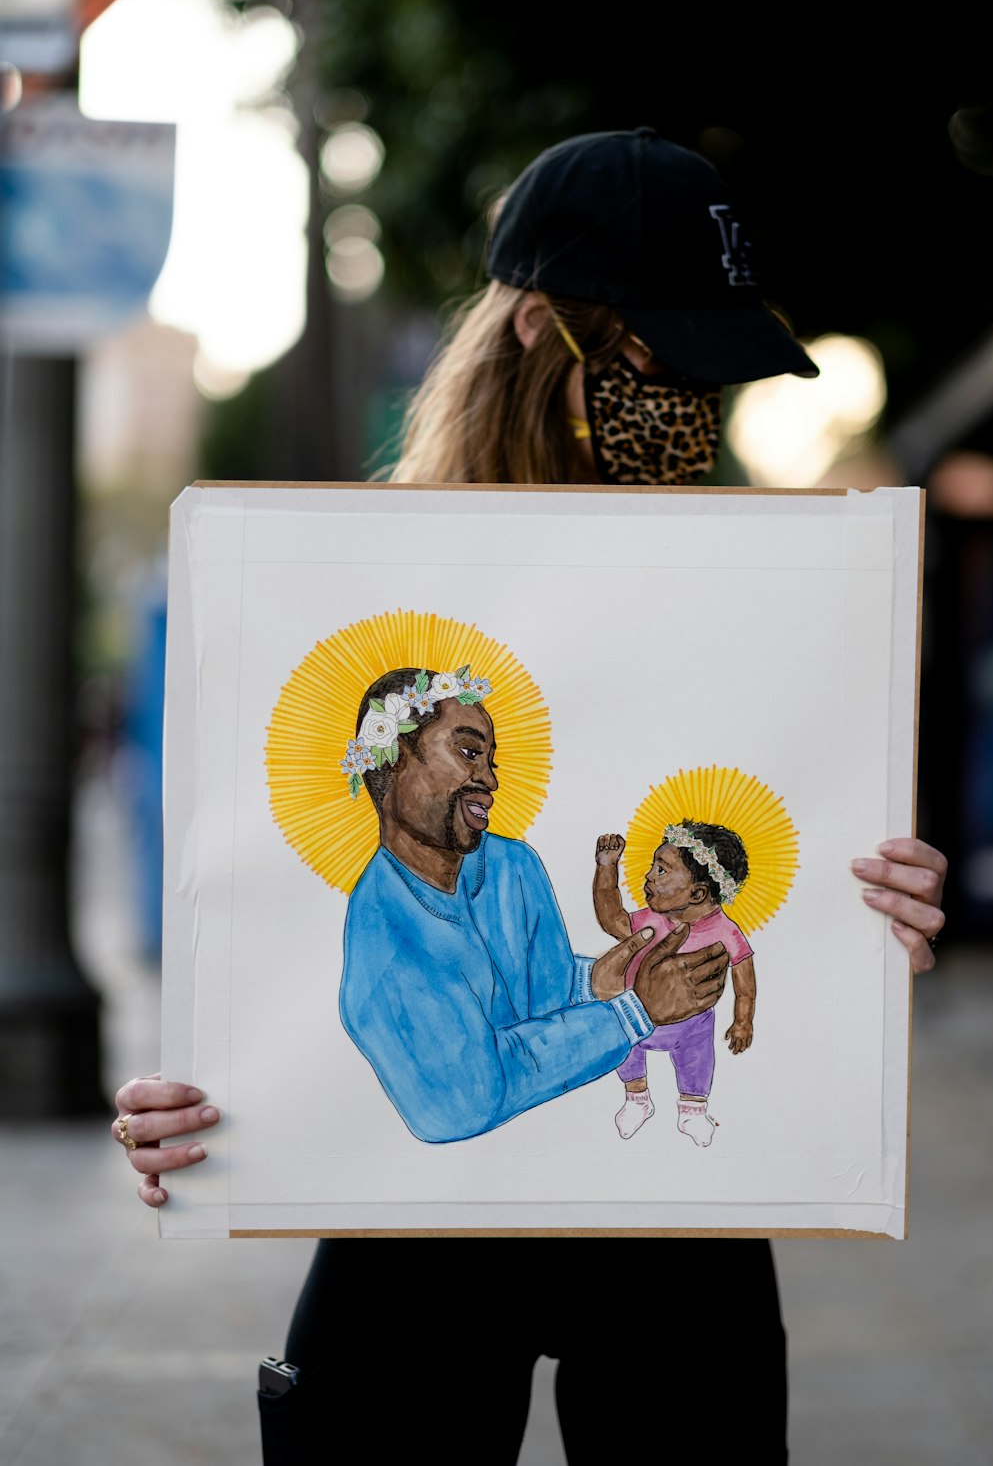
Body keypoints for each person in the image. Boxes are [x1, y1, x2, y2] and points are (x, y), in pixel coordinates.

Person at [113, 129, 947, 1465]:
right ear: (545, 338)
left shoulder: (747, 614)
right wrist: (208, 1079)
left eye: (713, 380)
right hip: (417, 1225)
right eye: (662, 365)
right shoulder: (345, 594)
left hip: (682, 1224)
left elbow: (559, 979)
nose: (696, 413)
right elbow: (378, 1027)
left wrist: (875, 908)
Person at [338, 666, 728, 1141]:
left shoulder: (512, 864)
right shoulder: (382, 934)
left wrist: (599, 981)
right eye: (468, 753)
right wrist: (634, 1011)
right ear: (396, 757)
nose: (489, 780)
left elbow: (542, 992)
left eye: (491, 761)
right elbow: (464, 1104)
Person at [593, 822, 755, 1147]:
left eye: (662, 870)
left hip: (692, 1026)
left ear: (697, 893)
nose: (649, 876)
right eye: (654, 866)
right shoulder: (651, 920)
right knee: (624, 1049)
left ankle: (693, 1109)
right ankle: (637, 1099)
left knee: (698, 1061)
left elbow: (745, 982)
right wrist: (606, 868)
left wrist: (742, 1022)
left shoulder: (725, 932)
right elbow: (612, 919)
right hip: (635, 1015)